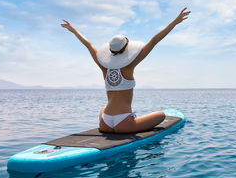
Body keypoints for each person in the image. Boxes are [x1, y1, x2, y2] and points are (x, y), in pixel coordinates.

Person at [61, 7, 190, 133]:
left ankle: (114, 119)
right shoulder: (129, 66)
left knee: (103, 108)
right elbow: (153, 41)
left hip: (105, 122)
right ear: (126, 49)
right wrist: (175, 22)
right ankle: (131, 120)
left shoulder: (103, 66)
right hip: (124, 124)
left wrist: (74, 30)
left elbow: (88, 45)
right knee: (161, 115)